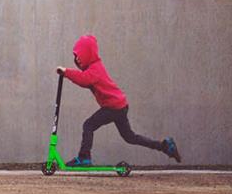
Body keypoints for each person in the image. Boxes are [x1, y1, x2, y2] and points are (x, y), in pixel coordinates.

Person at [56, 33, 182, 166]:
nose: (78, 60)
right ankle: (164, 146)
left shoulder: (95, 69)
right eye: (76, 57)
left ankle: (84, 157)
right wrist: (67, 74)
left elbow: (84, 79)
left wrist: (66, 72)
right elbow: (85, 80)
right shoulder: (94, 68)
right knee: (130, 137)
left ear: (88, 54)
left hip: (113, 107)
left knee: (88, 125)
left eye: (80, 56)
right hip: (119, 106)